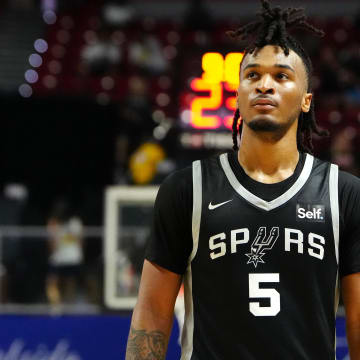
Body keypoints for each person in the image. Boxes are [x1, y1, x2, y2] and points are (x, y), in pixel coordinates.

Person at [126, 1, 360, 359]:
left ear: (306, 100)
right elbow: (152, 315)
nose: (265, 85)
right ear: (238, 94)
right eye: (252, 75)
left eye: (282, 76)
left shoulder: (343, 194)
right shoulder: (187, 190)